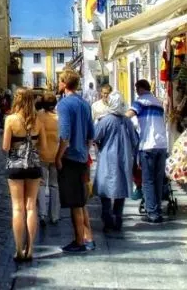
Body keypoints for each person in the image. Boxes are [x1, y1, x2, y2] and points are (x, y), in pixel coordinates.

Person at [3, 88, 46, 262]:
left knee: (17, 208)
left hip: (15, 165)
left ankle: (19, 249)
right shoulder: (38, 120)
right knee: (30, 207)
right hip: (34, 165)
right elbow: (42, 145)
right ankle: (31, 249)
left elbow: (5, 146)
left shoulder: (11, 119)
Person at [56, 69, 95, 253]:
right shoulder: (85, 104)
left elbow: (64, 134)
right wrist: (85, 151)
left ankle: (79, 241)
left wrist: (58, 157)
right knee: (81, 201)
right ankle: (89, 237)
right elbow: (90, 135)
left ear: (64, 83)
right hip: (82, 157)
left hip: (70, 157)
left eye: (59, 81)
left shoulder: (64, 104)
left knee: (74, 204)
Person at [95, 91, 139, 231]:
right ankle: (118, 218)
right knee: (120, 188)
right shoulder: (127, 121)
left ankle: (107, 219)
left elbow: (95, 137)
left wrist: (100, 147)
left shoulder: (105, 120)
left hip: (108, 158)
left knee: (106, 188)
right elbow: (135, 140)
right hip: (124, 157)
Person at [126, 79, 168, 223]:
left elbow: (128, 116)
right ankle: (158, 210)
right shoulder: (158, 102)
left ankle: (152, 213)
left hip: (148, 145)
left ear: (139, 89)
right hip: (161, 145)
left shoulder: (140, 101)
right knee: (158, 180)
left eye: (136, 89)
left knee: (148, 180)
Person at [37, 92, 60, 227]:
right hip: (56, 154)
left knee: (41, 184)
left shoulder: (39, 116)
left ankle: (42, 214)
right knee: (54, 185)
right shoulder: (59, 117)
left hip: (41, 153)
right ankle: (55, 215)